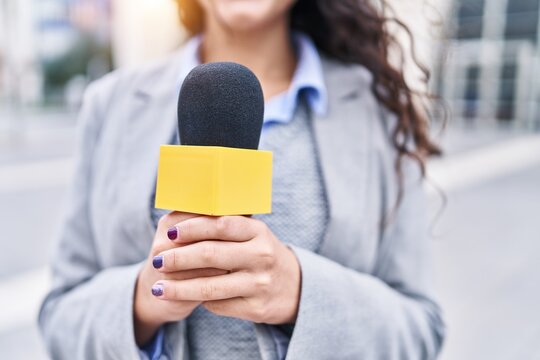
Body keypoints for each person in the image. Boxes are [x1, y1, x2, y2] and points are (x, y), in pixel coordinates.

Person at [39, 0, 446, 359]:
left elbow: (420, 330)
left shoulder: (381, 112)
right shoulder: (110, 105)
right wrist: (142, 300)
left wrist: (303, 295)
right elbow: (59, 318)